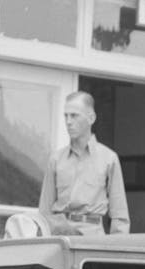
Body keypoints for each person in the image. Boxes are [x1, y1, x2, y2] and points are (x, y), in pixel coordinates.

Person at [38, 91, 130, 236]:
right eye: (66, 116)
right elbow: (44, 212)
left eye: (74, 115)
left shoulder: (109, 159)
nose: (68, 122)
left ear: (91, 118)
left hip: (92, 237)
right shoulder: (55, 159)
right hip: (59, 236)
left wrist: (116, 255)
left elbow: (119, 216)